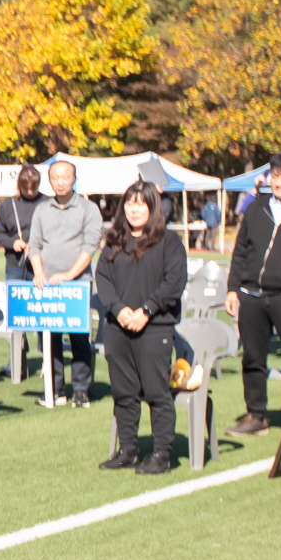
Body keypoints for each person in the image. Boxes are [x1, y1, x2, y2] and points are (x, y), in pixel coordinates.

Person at [95, 182, 187, 474]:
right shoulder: (115, 240)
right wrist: (117, 308)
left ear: (153, 207)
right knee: (123, 393)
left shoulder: (169, 242)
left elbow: (174, 281)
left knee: (157, 393)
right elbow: (103, 278)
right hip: (118, 327)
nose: (134, 209)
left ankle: (161, 454)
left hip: (154, 327)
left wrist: (147, 310)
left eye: (141, 204)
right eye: (130, 203)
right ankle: (128, 451)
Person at [225, 152, 281, 436]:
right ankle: (256, 416)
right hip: (252, 295)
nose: (278, 182)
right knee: (252, 358)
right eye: (275, 176)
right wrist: (233, 288)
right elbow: (240, 251)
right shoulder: (256, 208)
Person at [27, 159, 103, 407]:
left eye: (65, 177)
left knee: (79, 338)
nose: (60, 182)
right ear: (49, 181)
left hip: (77, 284)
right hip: (46, 285)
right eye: (55, 177)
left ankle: (81, 389)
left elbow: (90, 246)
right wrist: (38, 271)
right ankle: (55, 388)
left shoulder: (88, 208)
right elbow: (34, 245)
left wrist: (69, 274)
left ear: (74, 179)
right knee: (49, 339)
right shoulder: (42, 209)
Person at [0, 164, 47, 282]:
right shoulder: (8, 204)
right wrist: (12, 243)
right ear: (19, 184)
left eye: (33, 188)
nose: (29, 192)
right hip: (15, 264)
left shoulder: (48, 203)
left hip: (43, 263)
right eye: (26, 189)